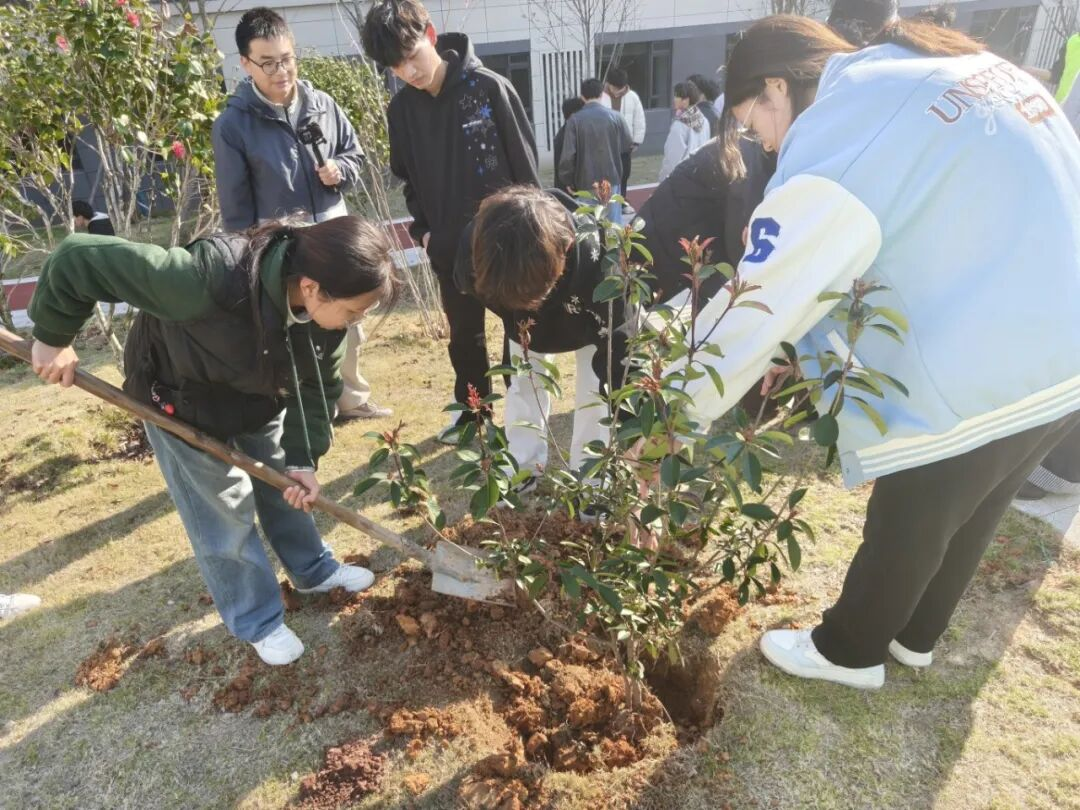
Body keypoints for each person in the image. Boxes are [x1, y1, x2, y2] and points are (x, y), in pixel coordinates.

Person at [679, 15, 1080, 689]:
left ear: (777, 85)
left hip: (998, 355)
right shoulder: (919, 65)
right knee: (977, 502)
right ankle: (916, 637)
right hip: (1063, 339)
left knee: (916, 499)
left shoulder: (842, 123)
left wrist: (672, 415)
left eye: (754, 123)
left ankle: (851, 651)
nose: (764, 144)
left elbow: (764, 293)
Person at [28, 217, 400, 666]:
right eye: (355, 311)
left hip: (257, 396)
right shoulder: (203, 278)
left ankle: (313, 570)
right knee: (225, 512)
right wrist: (53, 337)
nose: (356, 322)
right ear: (311, 287)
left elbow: (316, 385)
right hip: (182, 400)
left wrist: (304, 459)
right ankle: (258, 619)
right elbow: (77, 255)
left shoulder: (324, 322)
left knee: (286, 485)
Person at [361, 0, 540, 442]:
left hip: (506, 247)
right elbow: (408, 180)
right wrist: (423, 232)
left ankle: (524, 422)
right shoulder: (401, 112)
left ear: (431, 35)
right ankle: (473, 413)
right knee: (464, 338)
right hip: (445, 247)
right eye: (395, 67)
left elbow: (528, 175)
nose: (408, 71)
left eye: (411, 56)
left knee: (521, 336)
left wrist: (534, 238)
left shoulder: (489, 88)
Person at [212, 7, 390, 424]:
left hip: (334, 234)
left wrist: (339, 169)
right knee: (295, 331)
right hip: (282, 249)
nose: (281, 71)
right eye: (268, 63)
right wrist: (248, 263)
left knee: (348, 321)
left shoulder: (322, 104)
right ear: (245, 64)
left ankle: (351, 399)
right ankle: (308, 411)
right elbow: (235, 208)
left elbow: (355, 155)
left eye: (287, 59)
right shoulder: (234, 125)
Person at [454, 186, 628, 483]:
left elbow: (619, 352)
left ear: (568, 248)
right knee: (522, 385)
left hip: (587, 320)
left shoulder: (600, 262)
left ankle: (591, 480)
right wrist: (515, 311)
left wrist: (633, 425)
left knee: (595, 391)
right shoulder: (478, 248)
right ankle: (523, 467)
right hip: (522, 327)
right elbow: (467, 287)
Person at [557, 78, 633, 223]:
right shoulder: (616, 117)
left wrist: (567, 180)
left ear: (582, 97)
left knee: (588, 227)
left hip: (585, 182)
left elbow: (568, 157)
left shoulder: (574, 121)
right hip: (612, 180)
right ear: (601, 94)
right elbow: (627, 146)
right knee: (612, 227)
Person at [604, 68, 647, 199]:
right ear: (608, 84)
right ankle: (606, 200)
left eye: (620, 88)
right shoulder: (601, 96)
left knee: (624, 174)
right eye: (614, 87)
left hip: (625, 145)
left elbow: (639, 119)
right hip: (606, 145)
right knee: (606, 175)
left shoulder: (633, 97)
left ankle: (621, 199)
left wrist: (637, 141)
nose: (617, 91)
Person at [658, 83, 710, 183]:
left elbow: (672, 158)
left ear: (686, 100)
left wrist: (663, 179)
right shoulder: (704, 121)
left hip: (681, 178)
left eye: (677, 96)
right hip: (699, 176)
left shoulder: (680, 125)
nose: (674, 99)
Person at [826, 0, 897, 48]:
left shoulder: (886, 4)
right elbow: (832, 22)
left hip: (872, 48)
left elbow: (885, 26)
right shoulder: (843, 3)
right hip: (840, 45)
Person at [553, 96, 585, 191]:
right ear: (573, 115)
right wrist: (569, 183)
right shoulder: (567, 135)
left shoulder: (567, 131)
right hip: (570, 189)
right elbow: (567, 162)